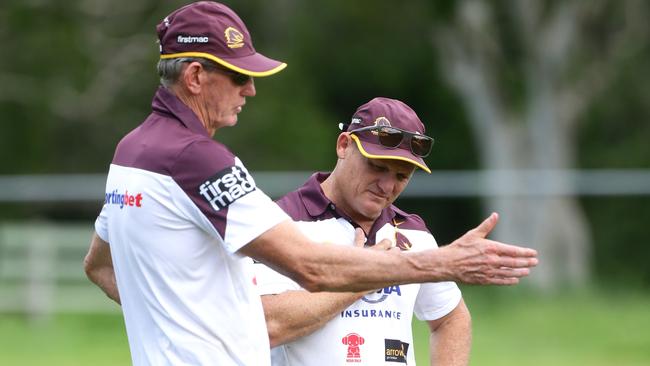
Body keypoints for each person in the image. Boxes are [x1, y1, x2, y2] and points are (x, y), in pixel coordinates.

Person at [83, 2, 538, 365]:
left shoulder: (132, 152)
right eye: (240, 76)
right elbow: (312, 269)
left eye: (400, 173)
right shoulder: (196, 159)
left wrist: (178, 326)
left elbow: (99, 267)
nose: (251, 89)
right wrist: (444, 262)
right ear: (196, 77)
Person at [256, 97, 471, 366]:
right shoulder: (280, 222)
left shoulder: (413, 234)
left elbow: (451, 318)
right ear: (344, 145)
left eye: (401, 176)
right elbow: (269, 324)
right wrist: (363, 278)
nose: (386, 186)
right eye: (377, 167)